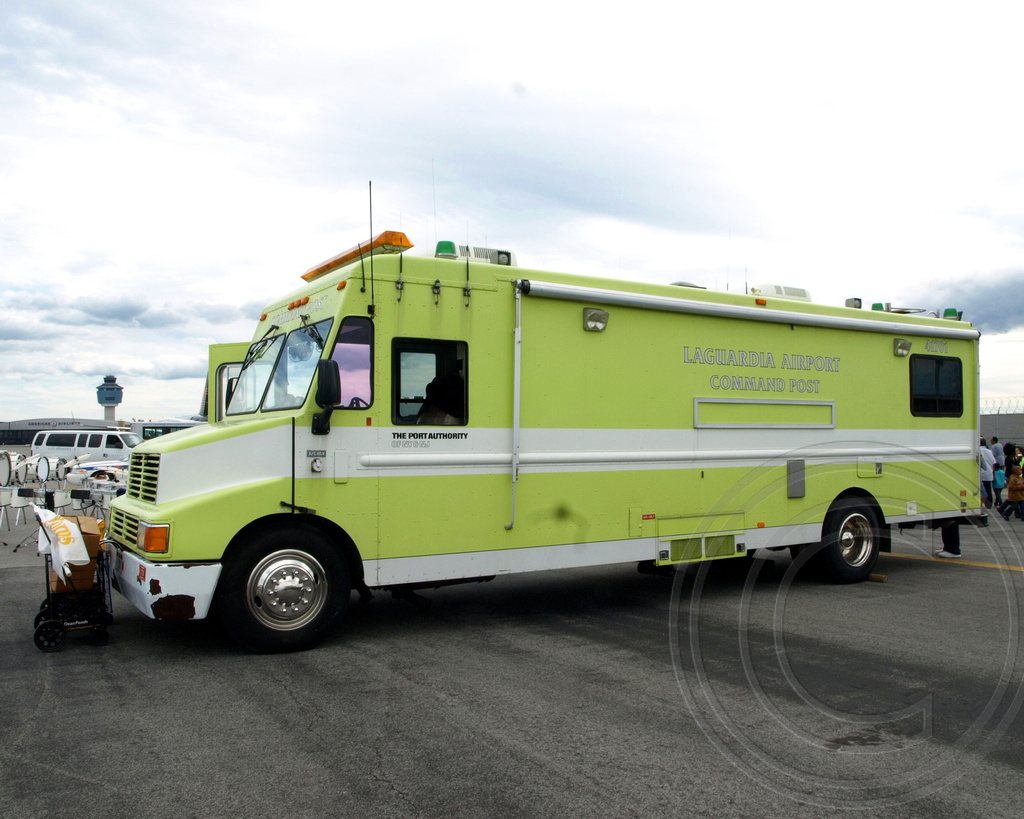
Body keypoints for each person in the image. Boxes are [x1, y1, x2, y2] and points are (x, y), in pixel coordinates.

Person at [979, 439, 996, 509]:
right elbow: (993, 462)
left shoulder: (978, 450)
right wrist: (993, 473)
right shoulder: (989, 451)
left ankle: (979, 504)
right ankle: (989, 504)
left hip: (980, 474)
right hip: (988, 473)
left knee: (981, 491)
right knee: (988, 489)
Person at [991, 437, 1006, 505]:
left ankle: (999, 501)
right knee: (1001, 475)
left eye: (991, 440)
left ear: (993, 440)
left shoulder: (994, 446)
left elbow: (994, 454)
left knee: (996, 476)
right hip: (1002, 460)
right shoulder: (1000, 445)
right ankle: (996, 501)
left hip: (997, 461)